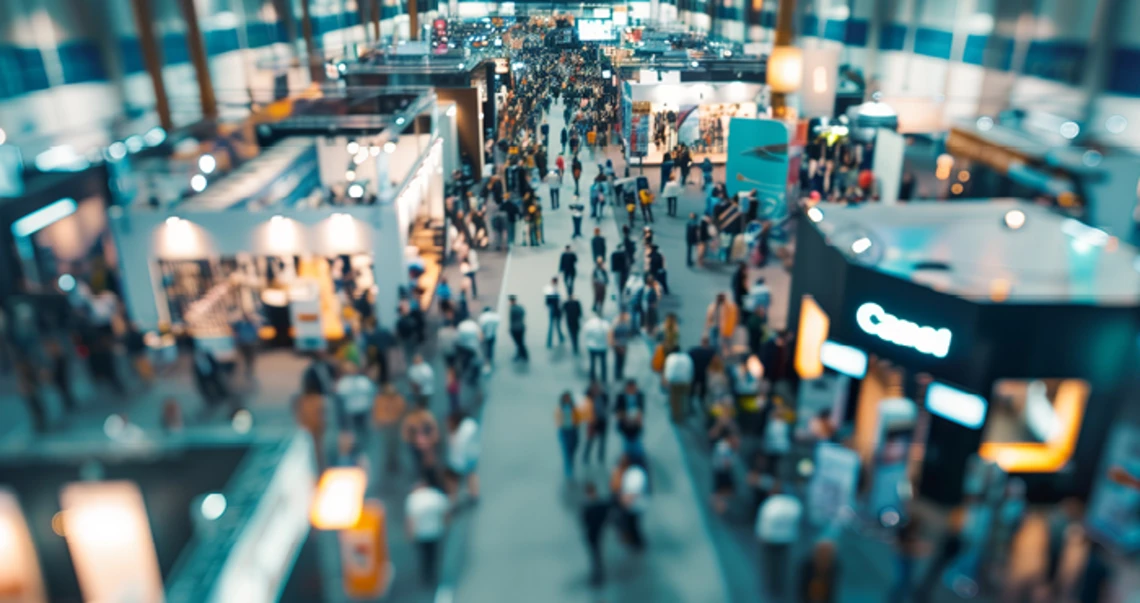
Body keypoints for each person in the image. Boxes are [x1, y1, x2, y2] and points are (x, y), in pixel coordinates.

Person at [755, 481, 803, 599]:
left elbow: (763, 523)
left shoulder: (770, 504)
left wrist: (760, 536)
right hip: (786, 539)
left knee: (769, 565)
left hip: (769, 539)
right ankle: (781, 586)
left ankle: (770, 586)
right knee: (782, 563)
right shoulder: (793, 504)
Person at [406, 479, 449, 585]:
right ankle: (433, 573)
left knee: (424, 556)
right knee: (433, 554)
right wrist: (445, 525)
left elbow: (410, 520)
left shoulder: (413, 499)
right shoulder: (436, 496)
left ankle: (426, 575)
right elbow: (446, 512)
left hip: (421, 534)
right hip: (436, 531)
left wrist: (410, 534)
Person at [335, 362, 377, 447]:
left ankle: (364, 447)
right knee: (352, 433)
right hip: (351, 413)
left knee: (364, 432)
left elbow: (372, 395)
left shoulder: (364, 381)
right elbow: (339, 399)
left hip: (363, 411)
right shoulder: (344, 382)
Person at [614, 453, 649, 550]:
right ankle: (635, 541)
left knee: (633, 525)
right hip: (633, 505)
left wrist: (623, 501)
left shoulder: (635, 474)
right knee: (632, 525)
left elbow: (632, 495)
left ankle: (638, 543)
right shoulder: (632, 472)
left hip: (635, 506)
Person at [445, 411, 481, 503]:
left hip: (458, 463)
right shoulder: (470, 425)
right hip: (472, 457)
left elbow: (454, 450)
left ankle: (453, 500)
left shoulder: (456, 435)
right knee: (471, 474)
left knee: (452, 482)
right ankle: (474, 493)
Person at [373, 383, 407, 474]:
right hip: (386, 426)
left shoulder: (398, 399)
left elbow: (402, 411)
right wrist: (377, 423)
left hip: (394, 426)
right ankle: (389, 461)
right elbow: (377, 411)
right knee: (387, 444)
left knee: (395, 444)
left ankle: (394, 460)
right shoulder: (380, 400)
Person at [581, 482, 611, 585]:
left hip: (595, 533)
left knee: (596, 555)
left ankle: (598, 575)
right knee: (596, 555)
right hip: (593, 534)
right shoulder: (596, 506)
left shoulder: (592, 506)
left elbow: (585, 521)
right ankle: (598, 574)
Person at [556, 391, 585, 479]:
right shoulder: (560, 408)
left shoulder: (574, 408)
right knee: (566, 451)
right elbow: (558, 420)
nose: (567, 399)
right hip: (564, 431)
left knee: (573, 450)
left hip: (573, 430)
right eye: (566, 398)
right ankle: (568, 471)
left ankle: (571, 466)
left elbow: (579, 418)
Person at [615, 379, 646, 455]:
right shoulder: (621, 397)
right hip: (625, 425)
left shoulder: (640, 396)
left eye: (633, 387)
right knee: (626, 446)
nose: (632, 389)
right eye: (630, 387)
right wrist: (625, 416)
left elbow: (641, 410)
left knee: (637, 445)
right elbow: (616, 411)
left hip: (636, 425)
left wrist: (637, 419)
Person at [663, 347, 694, 422]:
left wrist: (667, 382)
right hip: (686, 382)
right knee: (684, 398)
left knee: (675, 401)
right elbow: (691, 369)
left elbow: (668, 372)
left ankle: (676, 417)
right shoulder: (686, 357)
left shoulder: (671, 358)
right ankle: (683, 414)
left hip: (675, 383)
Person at [582, 380, 610, 464]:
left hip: (602, 421)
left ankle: (601, 458)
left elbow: (607, 407)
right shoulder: (588, 397)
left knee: (602, 441)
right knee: (590, 440)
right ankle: (586, 457)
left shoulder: (604, 396)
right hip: (592, 421)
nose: (596, 389)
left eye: (598, 387)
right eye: (594, 388)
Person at [688, 336, 716, 414]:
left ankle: (690, 406)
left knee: (692, 389)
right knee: (703, 390)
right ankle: (702, 404)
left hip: (694, 373)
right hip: (704, 374)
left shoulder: (693, 351)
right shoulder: (711, 352)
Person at [711, 434, 738, 515]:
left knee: (725, 490)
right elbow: (727, 464)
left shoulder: (723, 445)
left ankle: (718, 503)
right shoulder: (723, 448)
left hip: (720, 470)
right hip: (721, 472)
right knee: (721, 491)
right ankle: (717, 505)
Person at [610, 311, 633, 381]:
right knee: (621, 360)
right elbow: (628, 334)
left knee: (618, 360)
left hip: (618, 344)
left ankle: (617, 373)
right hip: (622, 344)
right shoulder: (625, 325)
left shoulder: (616, 325)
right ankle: (619, 373)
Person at [543, 277, 565, 348]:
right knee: (553, 326)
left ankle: (555, 339)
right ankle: (552, 341)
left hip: (555, 310)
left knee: (555, 326)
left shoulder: (556, 290)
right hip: (555, 310)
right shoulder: (550, 290)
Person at [508, 295, 529, 362]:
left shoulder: (512, 309)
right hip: (521, 327)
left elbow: (511, 320)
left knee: (518, 343)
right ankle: (522, 355)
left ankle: (522, 355)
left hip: (515, 328)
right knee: (521, 342)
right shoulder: (520, 307)